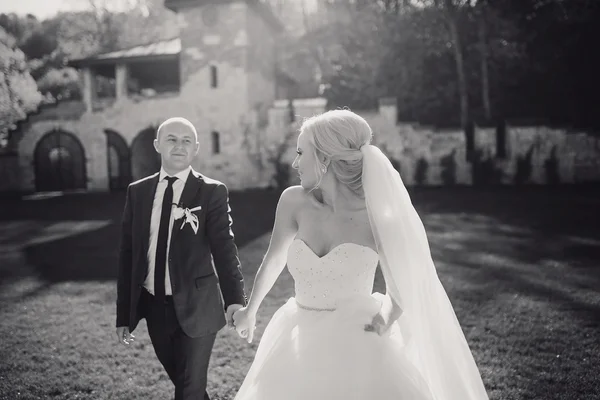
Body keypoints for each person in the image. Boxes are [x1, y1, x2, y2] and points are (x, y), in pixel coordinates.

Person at [232, 110, 489, 399]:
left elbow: (404, 285)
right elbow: (274, 259)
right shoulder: (292, 202)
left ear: (324, 158)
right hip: (298, 331)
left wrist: (386, 320)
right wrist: (250, 311)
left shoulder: (378, 218)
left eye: (301, 152)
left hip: (355, 342)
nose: (294, 162)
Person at [115, 117, 247, 400]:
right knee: (188, 386)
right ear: (157, 145)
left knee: (188, 390)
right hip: (154, 308)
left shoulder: (211, 191)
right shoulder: (137, 192)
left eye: (187, 140)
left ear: (196, 148)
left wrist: (235, 299)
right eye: (172, 139)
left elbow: (225, 248)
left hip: (198, 307)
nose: (179, 145)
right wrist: (124, 312)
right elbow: (128, 255)